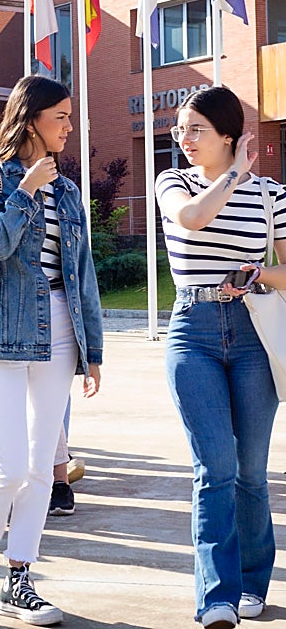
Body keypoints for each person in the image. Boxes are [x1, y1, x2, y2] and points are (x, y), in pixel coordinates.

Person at [0, 75, 102, 625]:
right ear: (33, 118)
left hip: (61, 330)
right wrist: (24, 191)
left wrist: (94, 348)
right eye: (60, 116)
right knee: (11, 462)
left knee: (44, 466)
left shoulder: (67, 191)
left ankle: (20, 573)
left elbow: (81, 273)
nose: (69, 126)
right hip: (0, 330)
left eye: (70, 116)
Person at [155, 85, 285, 628]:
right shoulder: (172, 182)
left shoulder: (273, 196)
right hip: (192, 331)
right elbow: (191, 219)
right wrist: (234, 173)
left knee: (251, 471)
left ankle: (254, 580)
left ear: (226, 134)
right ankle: (217, 597)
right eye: (179, 129)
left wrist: (257, 274)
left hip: (254, 331)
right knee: (215, 467)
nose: (182, 139)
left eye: (195, 129)